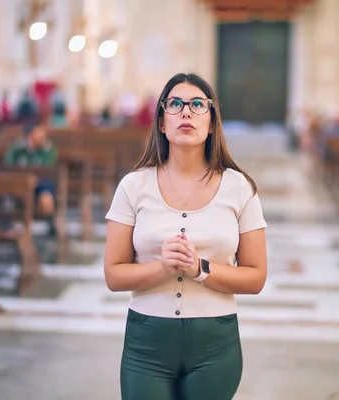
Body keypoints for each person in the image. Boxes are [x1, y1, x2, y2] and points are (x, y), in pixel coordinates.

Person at [104, 73, 268, 400]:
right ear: (162, 122)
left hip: (214, 344)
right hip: (147, 342)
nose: (186, 112)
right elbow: (113, 274)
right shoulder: (134, 186)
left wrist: (200, 269)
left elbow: (256, 277)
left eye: (197, 105)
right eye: (175, 104)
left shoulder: (239, 187)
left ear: (212, 123)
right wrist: (161, 268)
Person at [5, 122, 58, 216]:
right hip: (19, 181)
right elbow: (8, 163)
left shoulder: (48, 149)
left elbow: (49, 168)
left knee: (46, 197)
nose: (42, 135)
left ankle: (50, 223)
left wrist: (35, 180)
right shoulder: (18, 147)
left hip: (41, 183)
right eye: (38, 132)